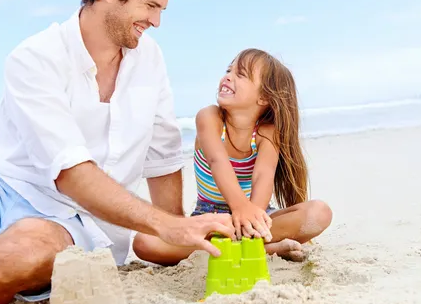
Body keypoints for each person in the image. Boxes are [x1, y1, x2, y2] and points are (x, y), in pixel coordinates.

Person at [0, 0, 235, 304]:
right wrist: (166, 226)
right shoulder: (35, 57)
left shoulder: (150, 59)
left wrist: (176, 229)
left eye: (161, 9)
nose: (156, 21)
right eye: (150, 6)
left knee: (29, 251)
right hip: (1, 188)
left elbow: (161, 156)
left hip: (77, 224)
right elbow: (71, 171)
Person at [131, 48, 333, 266]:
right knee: (144, 242)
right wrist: (239, 208)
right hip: (211, 219)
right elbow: (218, 162)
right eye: (229, 69)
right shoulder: (209, 118)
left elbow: (263, 177)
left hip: (254, 215)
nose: (228, 76)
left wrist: (252, 219)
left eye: (241, 74)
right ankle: (261, 249)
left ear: (264, 96)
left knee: (319, 213)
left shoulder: (267, 132)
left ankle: (244, 245)